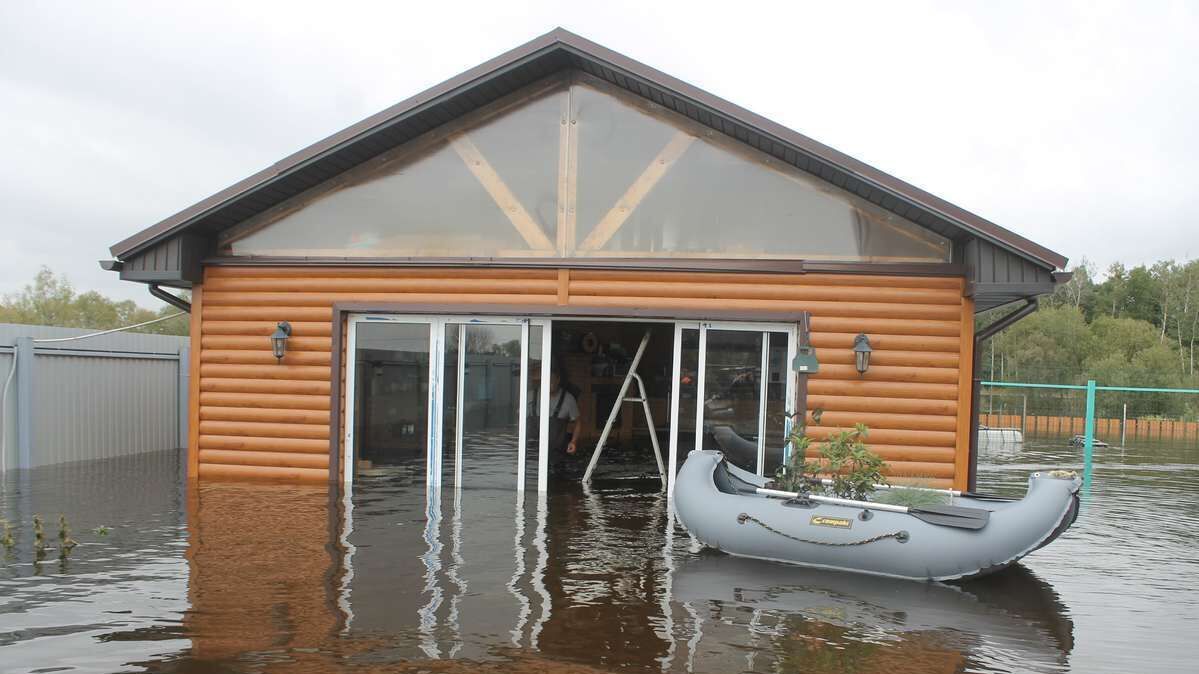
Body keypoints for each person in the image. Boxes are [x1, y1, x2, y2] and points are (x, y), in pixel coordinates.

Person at [530, 366, 580, 465]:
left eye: (552, 379)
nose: (550, 382)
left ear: (558, 379)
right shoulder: (530, 396)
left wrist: (573, 442)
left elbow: (577, 422)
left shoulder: (569, 399)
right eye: (547, 379)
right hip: (532, 455)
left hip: (557, 456)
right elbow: (520, 419)